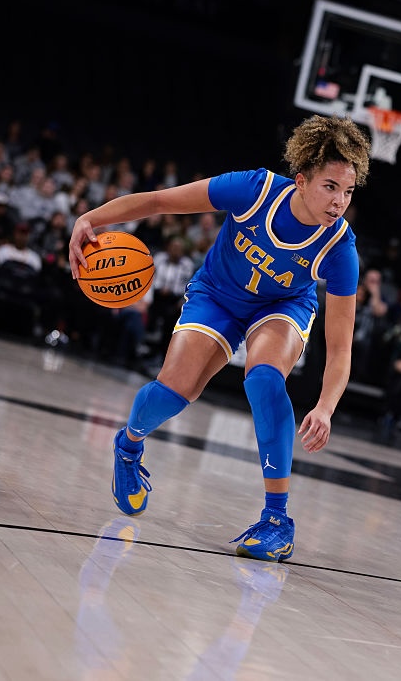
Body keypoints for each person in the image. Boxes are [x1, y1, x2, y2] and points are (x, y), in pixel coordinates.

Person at [68, 114, 372, 563]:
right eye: (330, 187)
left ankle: (276, 521)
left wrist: (325, 407)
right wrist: (89, 219)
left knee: (264, 379)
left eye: (348, 191)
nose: (339, 202)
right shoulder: (253, 191)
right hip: (218, 295)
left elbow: (341, 347)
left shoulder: (340, 249)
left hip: (281, 307)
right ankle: (128, 445)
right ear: (302, 180)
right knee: (174, 391)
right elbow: (159, 201)